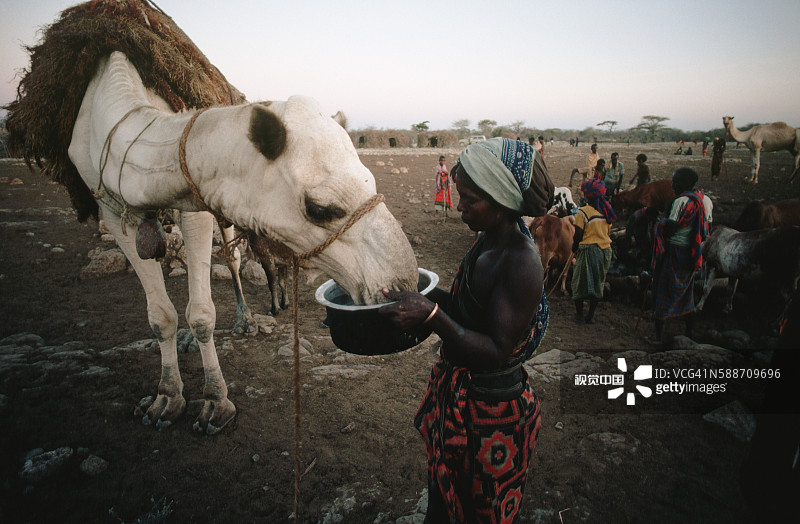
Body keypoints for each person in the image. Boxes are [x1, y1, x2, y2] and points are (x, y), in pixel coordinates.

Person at [379, 138, 554, 523]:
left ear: (502, 200)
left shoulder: (520, 262)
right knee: (443, 502)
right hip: (465, 400)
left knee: (479, 513)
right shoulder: (487, 241)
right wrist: (421, 293)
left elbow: (496, 350)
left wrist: (431, 315)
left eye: (469, 199)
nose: (458, 206)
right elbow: (468, 306)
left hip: (493, 414)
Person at [650, 167, 709, 343]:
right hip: (689, 253)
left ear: (683, 184)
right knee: (686, 291)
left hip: (674, 251)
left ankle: (657, 336)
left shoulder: (680, 201)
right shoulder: (699, 199)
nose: (673, 186)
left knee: (663, 290)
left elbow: (671, 226)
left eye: (675, 182)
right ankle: (689, 332)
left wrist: (660, 225)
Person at [571, 178, 615, 324]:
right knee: (598, 282)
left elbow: (578, 235)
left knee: (579, 282)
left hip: (589, 251)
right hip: (605, 251)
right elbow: (608, 233)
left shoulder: (583, 212)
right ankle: (590, 316)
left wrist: (574, 249)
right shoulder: (606, 211)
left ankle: (578, 315)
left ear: (588, 196)